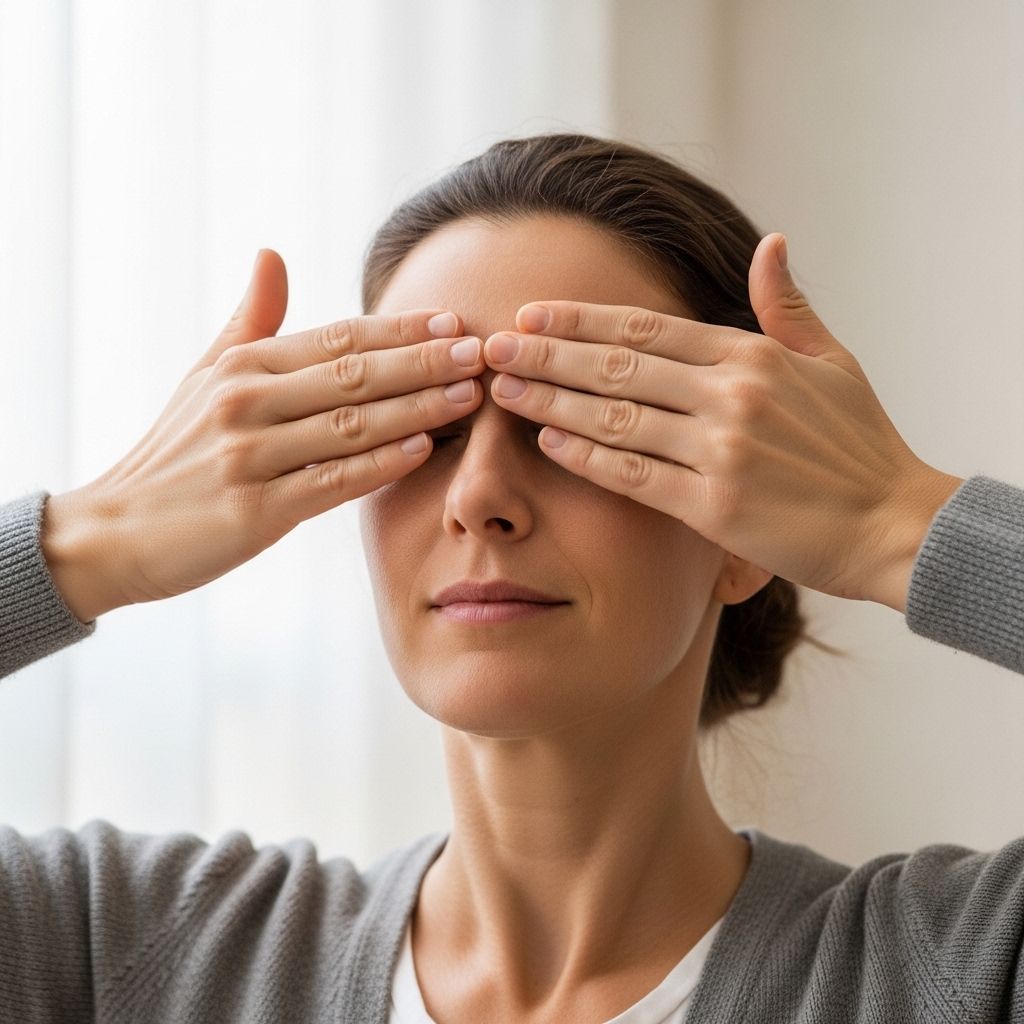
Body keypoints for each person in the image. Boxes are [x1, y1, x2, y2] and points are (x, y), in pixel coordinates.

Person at [0, 132, 1021, 1023]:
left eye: (569, 424)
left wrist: (894, 520)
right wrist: (91, 541)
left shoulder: (953, 974)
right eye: (426, 430)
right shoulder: (110, 954)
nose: (478, 495)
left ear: (742, 530)